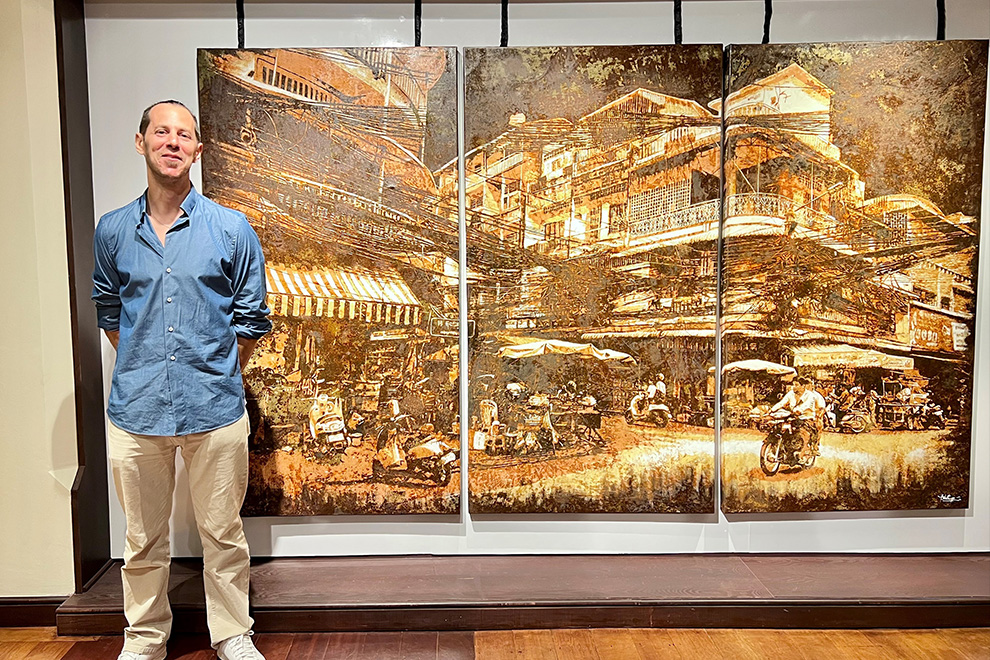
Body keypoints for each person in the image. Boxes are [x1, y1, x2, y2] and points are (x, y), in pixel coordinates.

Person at [92, 101, 271, 660]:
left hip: (214, 409)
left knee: (223, 534)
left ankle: (232, 634)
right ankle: (144, 639)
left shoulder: (231, 229)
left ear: (197, 150)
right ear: (141, 141)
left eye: (184, 135)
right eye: (161, 132)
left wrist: (214, 370)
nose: (172, 142)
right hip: (137, 412)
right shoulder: (113, 230)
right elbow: (109, 310)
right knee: (142, 539)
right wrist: (144, 363)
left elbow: (251, 318)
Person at [769, 377, 823, 459]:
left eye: (796, 385)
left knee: (803, 433)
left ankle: (804, 450)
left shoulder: (810, 395)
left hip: (805, 418)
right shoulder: (791, 393)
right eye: (793, 385)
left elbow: (806, 405)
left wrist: (798, 411)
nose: (794, 387)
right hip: (792, 416)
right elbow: (782, 403)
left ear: (803, 386)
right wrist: (771, 410)